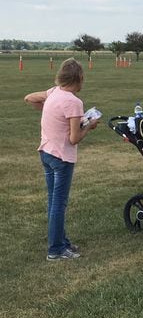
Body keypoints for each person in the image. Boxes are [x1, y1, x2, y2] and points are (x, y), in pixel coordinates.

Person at [24, 58, 100, 261]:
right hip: (62, 158)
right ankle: (56, 249)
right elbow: (74, 139)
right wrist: (89, 127)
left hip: (46, 154)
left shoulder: (53, 92)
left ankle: (60, 241)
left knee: (53, 202)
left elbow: (29, 98)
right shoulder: (74, 102)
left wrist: (50, 108)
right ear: (80, 78)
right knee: (59, 204)